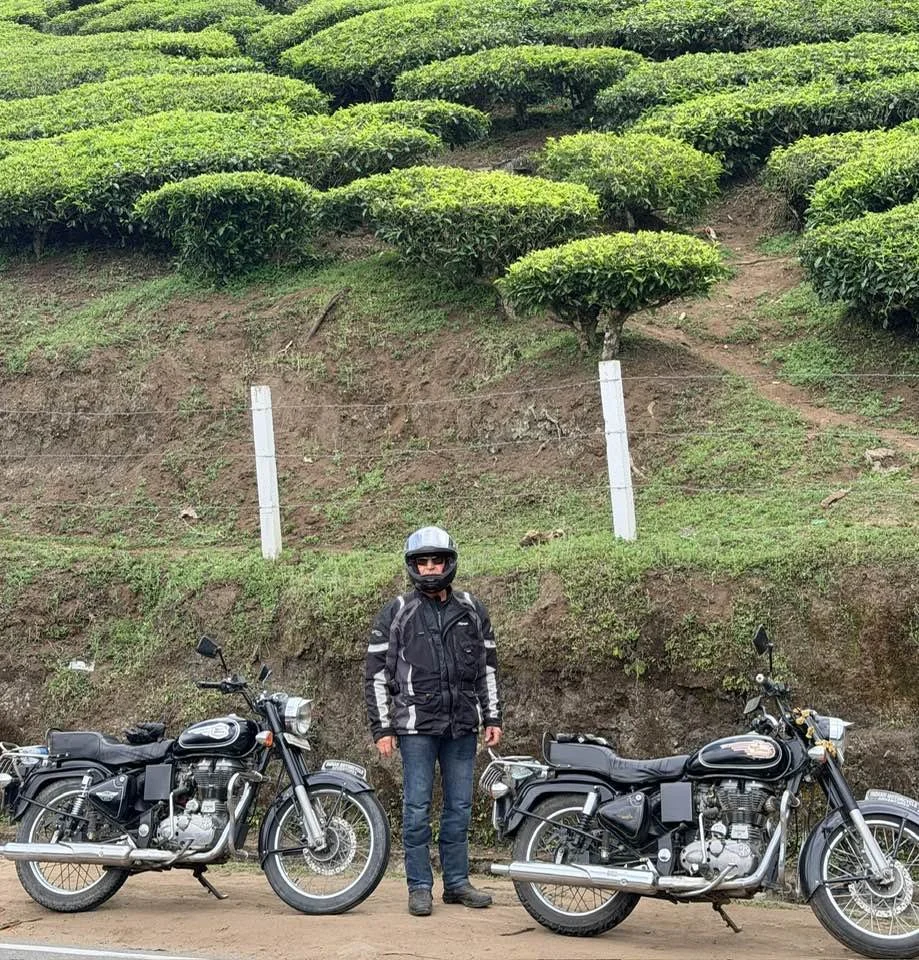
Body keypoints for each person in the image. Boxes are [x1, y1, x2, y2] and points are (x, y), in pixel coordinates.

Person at [364, 525, 503, 917]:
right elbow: (375, 675)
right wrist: (383, 728)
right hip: (415, 728)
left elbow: (488, 669)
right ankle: (419, 886)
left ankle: (456, 883)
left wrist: (492, 716)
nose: (429, 568)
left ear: (449, 562)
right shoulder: (396, 611)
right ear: (412, 567)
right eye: (421, 562)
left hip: (462, 725)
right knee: (417, 808)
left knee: (459, 807)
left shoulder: (472, 610)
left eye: (435, 560)